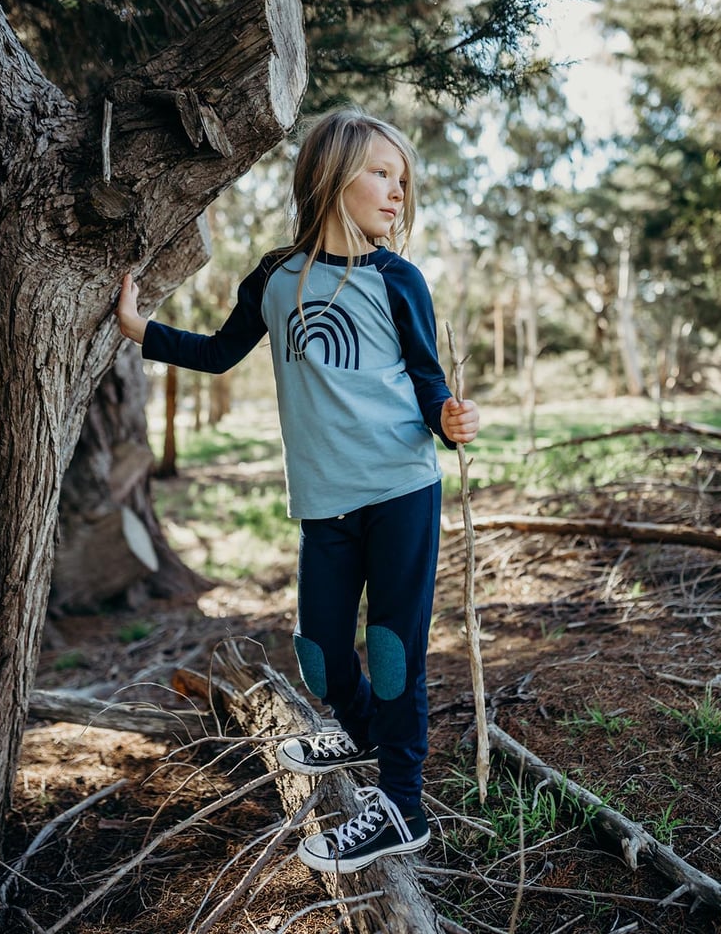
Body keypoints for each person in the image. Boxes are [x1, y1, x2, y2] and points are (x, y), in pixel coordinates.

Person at [116, 106, 479, 873]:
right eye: (382, 173)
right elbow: (219, 353)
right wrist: (140, 330)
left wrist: (450, 421)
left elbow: (426, 382)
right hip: (324, 499)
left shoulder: (398, 279)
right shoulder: (277, 279)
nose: (397, 193)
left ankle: (402, 808)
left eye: (403, 181)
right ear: (330, 174)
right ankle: (357, 728)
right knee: (317, 652)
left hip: (401, 488)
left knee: (391, 650)